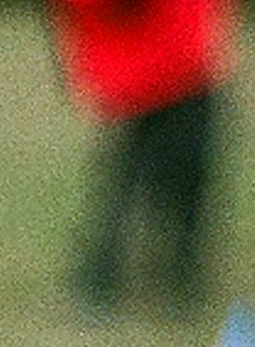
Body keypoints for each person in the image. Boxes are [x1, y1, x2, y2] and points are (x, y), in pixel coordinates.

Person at [51, 0, 231, 311]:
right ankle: (152, 275)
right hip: (170, 61)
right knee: (166, 179)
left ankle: (135, 275)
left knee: (140, 179)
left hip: (167, 58)